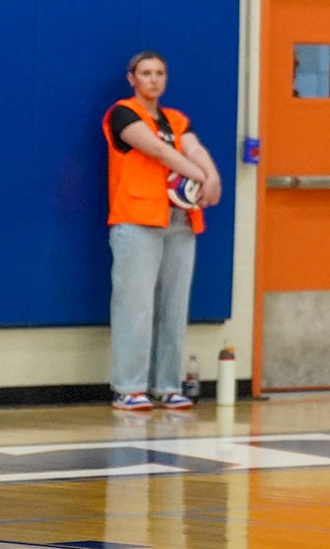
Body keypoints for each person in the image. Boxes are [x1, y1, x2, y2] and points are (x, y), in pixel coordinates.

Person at [102, 51, 223, 413]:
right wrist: (200, 176)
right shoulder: (123, 113)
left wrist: (212, 175)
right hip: (137, 220)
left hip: (180, 221)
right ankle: (129, 387)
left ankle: (168, 385)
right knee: (134, 306)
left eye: (159, 73)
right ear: (132, 79)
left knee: (174, 305)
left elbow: (193, 147)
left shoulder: (175, 119)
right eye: (146, 73)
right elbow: (156, 150)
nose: (153, 79)